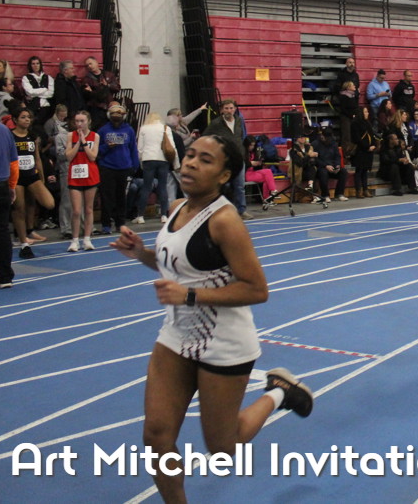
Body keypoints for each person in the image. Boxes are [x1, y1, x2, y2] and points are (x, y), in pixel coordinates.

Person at [109, 134, 313, 504]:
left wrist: (189, 296)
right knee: (156, 436)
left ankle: (280, 391)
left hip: (224, 344)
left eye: (205, 160)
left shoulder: (225, 221)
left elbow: (257, 289)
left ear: (224, 175)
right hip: (176, 336)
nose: (190, 163)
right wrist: (140, 253)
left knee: (223, 447)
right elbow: (176, 266)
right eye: (189, 155)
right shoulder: (176, 208)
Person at [10, 108, 55, 259]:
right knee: (19, 208)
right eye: (23, 117)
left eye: (28, 117)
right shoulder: (10, 136)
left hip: (32, 175)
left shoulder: (33, 136)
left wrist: (41, 177)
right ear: (15, 120)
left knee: (49, 203)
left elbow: (37, 158)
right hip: (17, 177)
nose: (27, 120)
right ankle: (23, 242)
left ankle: (29, 230)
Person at [203, 99, 250, 219]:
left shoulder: (239, 121)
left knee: (240, 186)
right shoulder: (216, 123)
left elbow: (242, 136)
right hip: (224, 159)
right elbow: (205, 137)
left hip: (239, 158)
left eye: (231, 108)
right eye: (226, 108)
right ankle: (223, 210)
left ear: (235, 109)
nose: (229, 111)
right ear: (222, 110)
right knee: (225, 186)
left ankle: (241, 211)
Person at [97, 103, 139, 235]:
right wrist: (107, 147)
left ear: (124, 116)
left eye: (119, 114)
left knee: (121, 197)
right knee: (107, 198)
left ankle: (120, 223)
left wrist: (135, 166)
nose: (117, 116)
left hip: (125, 167)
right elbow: (97, 150)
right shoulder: (103, 130)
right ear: (109, 115)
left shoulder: (129, 130)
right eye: (114, 113)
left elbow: (133, 148)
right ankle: (106, 224)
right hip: (107, 167)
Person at [65, 110, 99, 252]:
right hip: (75, 175)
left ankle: (87, 239)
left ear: (88, 121)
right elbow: (68, 156)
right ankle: (74, 240)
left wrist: (84, 142)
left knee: (89, 209)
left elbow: (92, 157)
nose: (79, 124)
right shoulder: (70, 135)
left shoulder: (95, 136)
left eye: (82, 121)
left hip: (90, 175)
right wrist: (78, 142)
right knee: (76, 211)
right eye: (77, 121)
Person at [0, 120, 18, 289]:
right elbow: (14, 163)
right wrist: (12, 186)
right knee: (1, 232)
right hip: (1, 186)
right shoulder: (3, 130)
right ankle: (4, 277)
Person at [81, 57, 120, 129]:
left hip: (109, 106)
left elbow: (117, 87)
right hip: (96, 108)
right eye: (87, 65)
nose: (89, 66)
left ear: (96, 62)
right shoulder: (87, 79)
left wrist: (107, 85)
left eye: (90, 63)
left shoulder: (108, 75)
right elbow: (86, 95)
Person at [311, 128, 349, 201]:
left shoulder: (333, 143)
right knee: (323, 173)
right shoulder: (315, 144)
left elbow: (337, 156)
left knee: (343, 172)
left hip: (332, 166)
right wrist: (325, 166)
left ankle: (339, 194)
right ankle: (325, 195)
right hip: (321, 167)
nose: (324, 138)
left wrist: (337, 165)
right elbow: (315, 159)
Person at [351, 107, 378, 198]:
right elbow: (356, 138)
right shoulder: (355, 123)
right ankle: (358, 190)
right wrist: (367, 147)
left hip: (368, 151)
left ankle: (365, 189)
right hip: (360, 150)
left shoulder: (367, 123)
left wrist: (373, 145)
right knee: (359, 170)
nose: (367, 113)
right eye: (365, 112)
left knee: (365, 171)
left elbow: (372, 135)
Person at [21, 56, 54, 124]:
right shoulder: (26, 78)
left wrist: (34, 95)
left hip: (47, 108)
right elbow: (30, 92)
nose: (35, 65)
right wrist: (44, 89)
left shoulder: (48, 77)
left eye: (37, 63)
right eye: (33, 64)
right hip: (33, 108)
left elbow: (50, 93)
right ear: (30, 65)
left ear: (40, 65)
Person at [243, 136, 277, 200]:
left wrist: (258, 163)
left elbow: (257, 165)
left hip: (253, 172)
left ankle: (269, 196)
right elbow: (242, 164)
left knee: (268, 172)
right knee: (267, 177)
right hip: (246, 174)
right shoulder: (243, 152)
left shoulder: (254, 152)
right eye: (251, 145)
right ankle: (270, 194)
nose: (252, 147)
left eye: (253, 145)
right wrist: (250, 163)